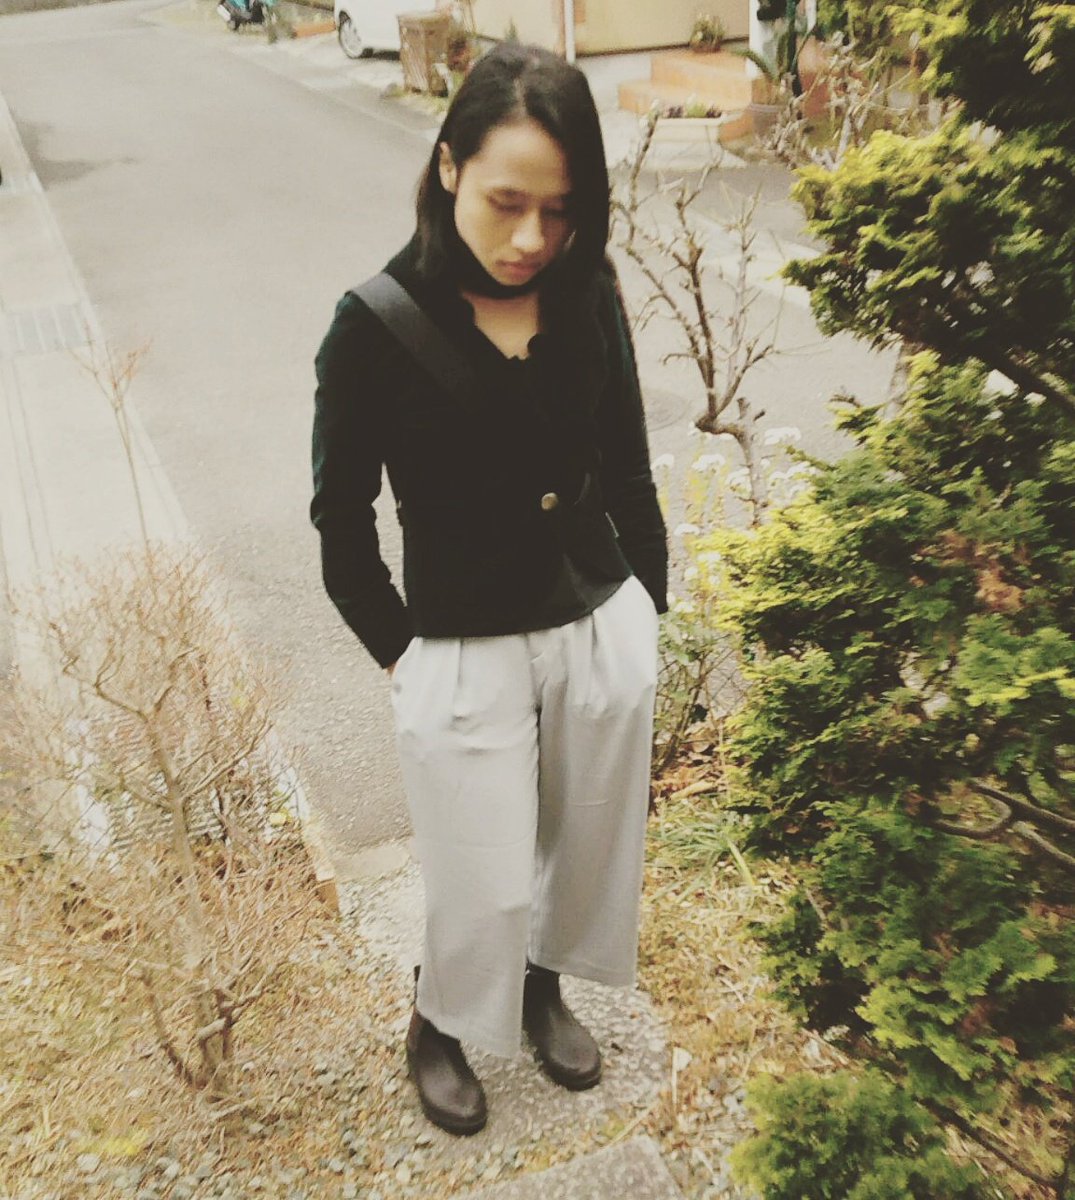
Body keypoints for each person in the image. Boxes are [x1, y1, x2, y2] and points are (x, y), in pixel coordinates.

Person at [310, 42, 668, 1137]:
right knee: (483, 870)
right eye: (507, 202)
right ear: (449, 165)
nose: (529, 240)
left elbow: (629, 468)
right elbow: (339, 519)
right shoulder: (373, 324)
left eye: (559, 212)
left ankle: (539, 985)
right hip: (458, 640)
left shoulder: (586, 290)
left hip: (596, 618)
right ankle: (439, 1020)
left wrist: (648, 612)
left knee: (583, 839)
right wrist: (399, 648)